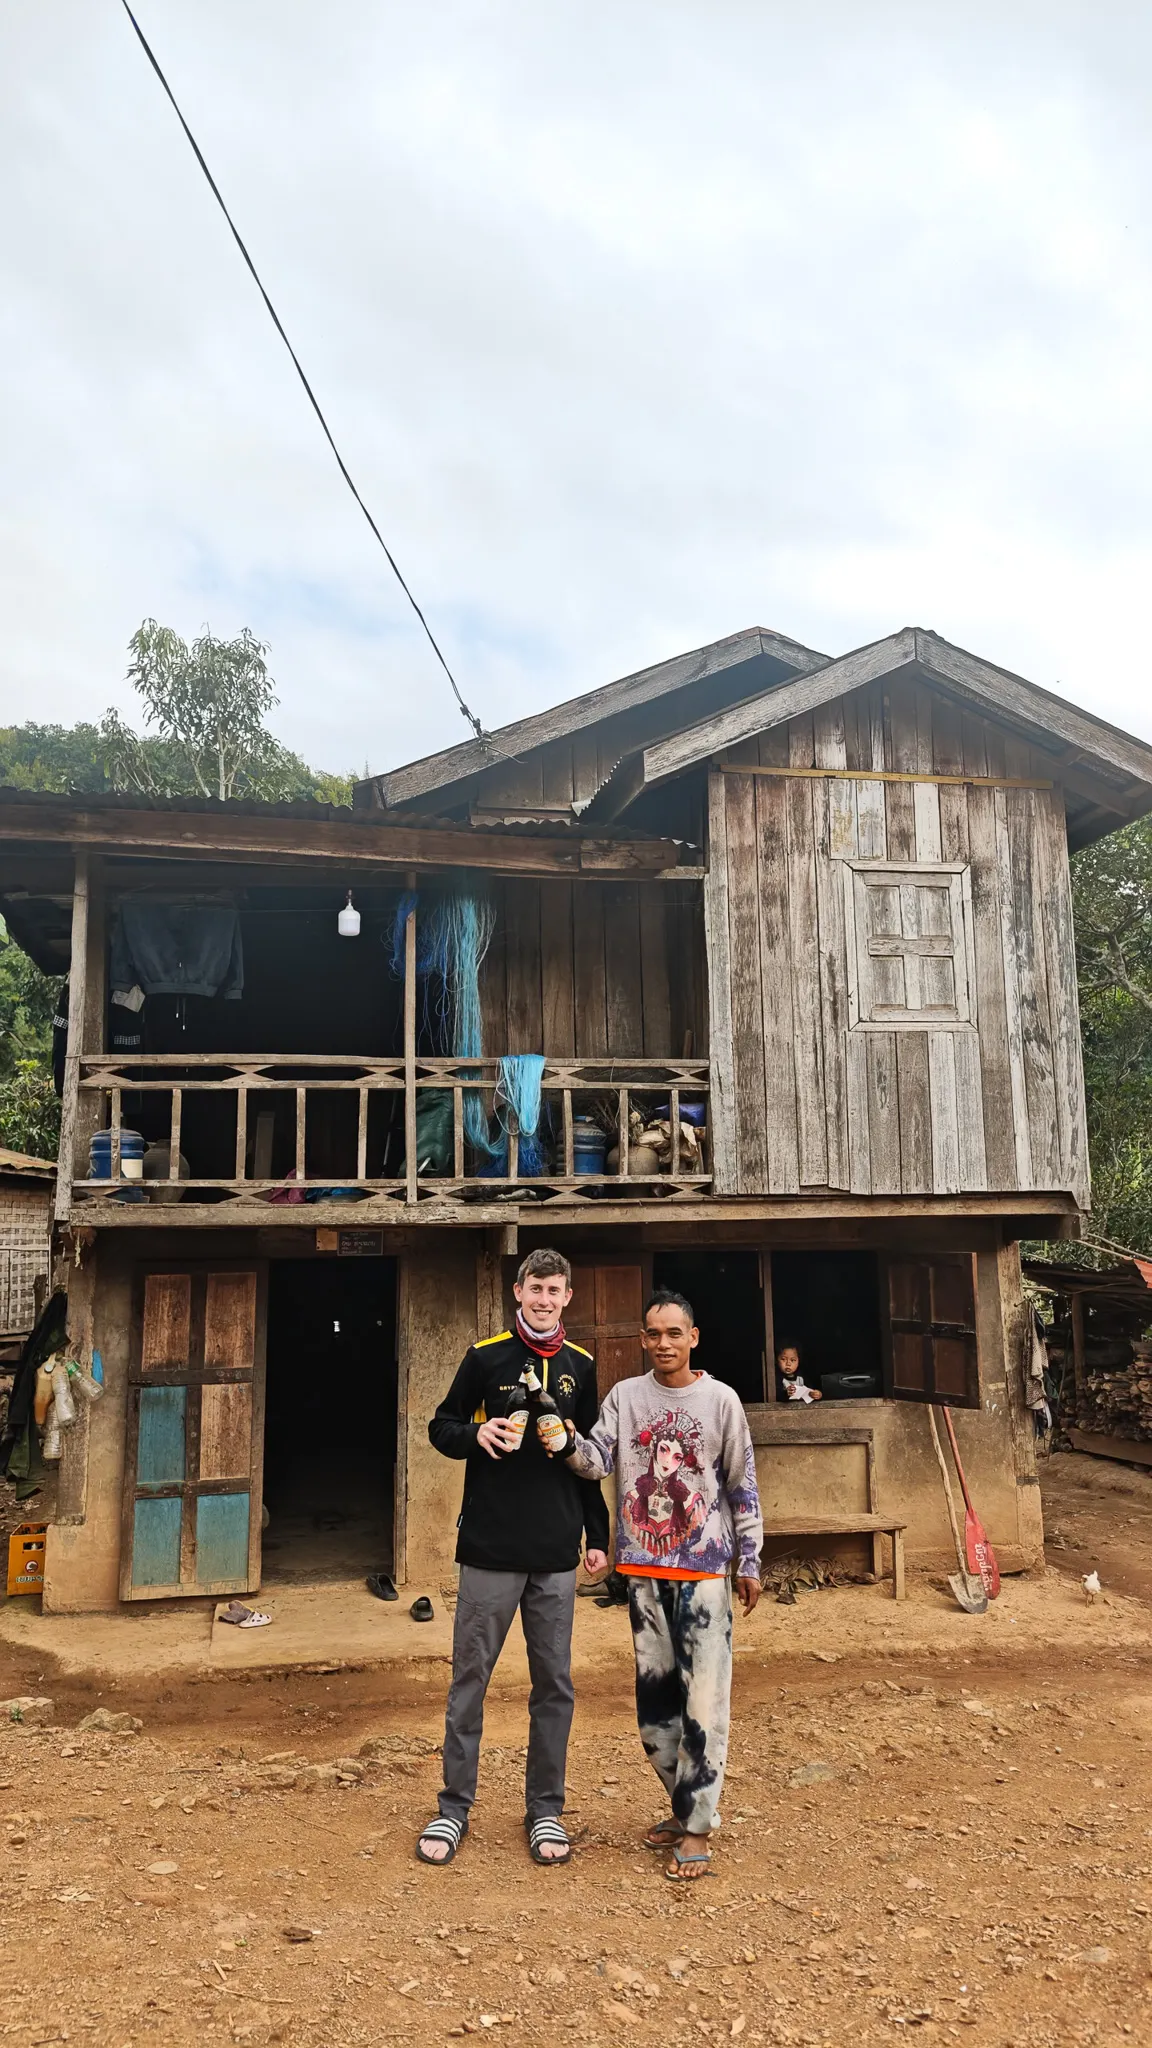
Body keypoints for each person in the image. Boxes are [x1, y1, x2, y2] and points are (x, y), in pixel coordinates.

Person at [554, 1289, 762, 1882]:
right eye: (653, 1334)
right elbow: (596, 1460)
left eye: (675, 1333)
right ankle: (685, 1802)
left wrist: (749, 1558)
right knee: (654, 1713)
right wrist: (564, 1442)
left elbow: (740, 1482)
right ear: (642, 1340)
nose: (664, 1343)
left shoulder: (721, 1401)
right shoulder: (626, 1396)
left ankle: (696, 1827)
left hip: (703, 1575)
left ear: (693, 1337)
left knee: (704, 1703)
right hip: (643, 1572)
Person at [416, 1248, 609, 1868]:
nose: (545, 1299)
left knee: (554, 1685)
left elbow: (591, 1464)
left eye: (556, 1290)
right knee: (469, 1681)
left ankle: (545, 1812)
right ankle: (453, 1809)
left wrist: (598, 1535)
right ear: (517, 1291)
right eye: (536, 1288)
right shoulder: (485, 1356)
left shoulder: (581, 1365)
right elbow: (440, 1427)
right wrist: (477, 1434)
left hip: (556, 1551)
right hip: (490, 1549)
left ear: (567, 1298)